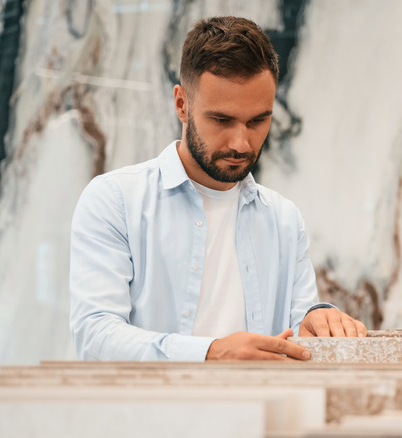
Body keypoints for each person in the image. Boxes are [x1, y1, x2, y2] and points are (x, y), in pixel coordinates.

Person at [69, 16, 367, 362]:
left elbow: (300, 337)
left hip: (261, 415)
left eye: (258, 120)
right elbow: (95, 337)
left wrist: (319, 319)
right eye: (222, 120)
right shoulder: (115, 200)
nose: (241, 143)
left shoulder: (283, 219)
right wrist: (210, 352)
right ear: (182, 104)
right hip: (147, 416)